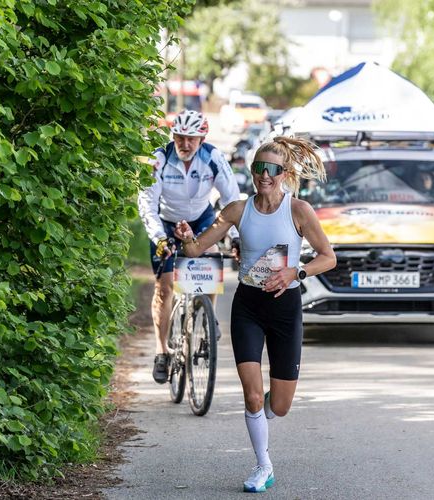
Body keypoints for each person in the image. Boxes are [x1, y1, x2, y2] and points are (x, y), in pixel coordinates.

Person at [174, 136, 336, 493]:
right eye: (259, 168)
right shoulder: (237, 209)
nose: (265, 175)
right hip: (248, 306)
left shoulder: (299, 211)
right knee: (250, 395)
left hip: (285, 309)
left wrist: (297, 272)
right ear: (251, 171)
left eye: (273, 169)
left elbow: (329, 256)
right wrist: (187, 236)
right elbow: (197, 247)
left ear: (286, 173)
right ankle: (263, 465)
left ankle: (262, 415)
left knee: (279, 405)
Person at [137, 109, 241, 384]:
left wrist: (238, 235)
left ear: (202, 138)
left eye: (191, 139)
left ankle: (209, 317)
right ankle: (162, 351)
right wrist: (159, 237)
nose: (185, 144)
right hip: (167, 221)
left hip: (201, 217)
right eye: (180, 137)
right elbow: (147, 203)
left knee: (212, 256)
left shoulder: (213, 158)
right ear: (173, 136)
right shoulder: (159, 160)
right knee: (165, 286)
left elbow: (232, 199)